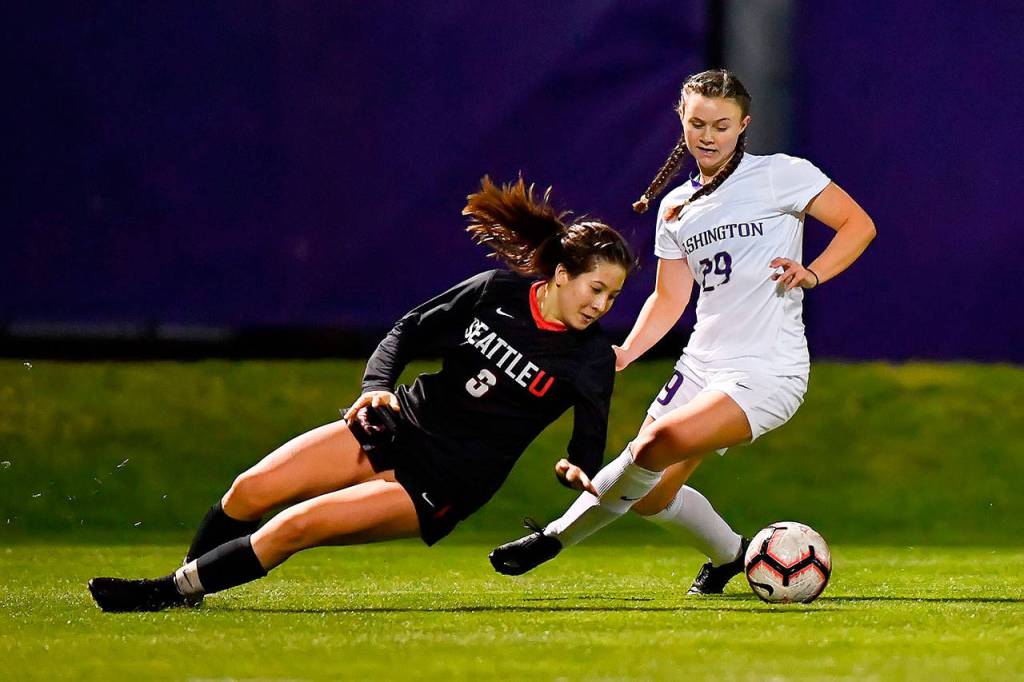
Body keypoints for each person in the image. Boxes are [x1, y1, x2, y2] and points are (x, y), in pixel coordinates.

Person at [88, 176, 635, 612]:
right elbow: (406, 332)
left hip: (445, 479)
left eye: (613, 296)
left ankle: (164, 592)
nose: (602, 305)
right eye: (596, 288)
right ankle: (191, 589)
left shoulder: (590, 358)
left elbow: (588, 441)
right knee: (250, 490)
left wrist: (576, 466)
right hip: (399, 425)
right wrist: (376, 388)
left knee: (295, 526)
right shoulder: (497, 291)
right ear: (561, 274)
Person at [489, 69, 876, 594]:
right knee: (651, 496)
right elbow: (670, 298)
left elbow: (858, 224)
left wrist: (813, 273)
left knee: (657, 441)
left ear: (744, 125)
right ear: (682, 121)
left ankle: (553, 538)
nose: (708, 136)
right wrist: (627, 351)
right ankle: (732, 555)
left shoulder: (780, 174)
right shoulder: (674, 207)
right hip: (700, 365)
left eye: (722, 125)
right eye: (697, 124)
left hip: (768, 371)